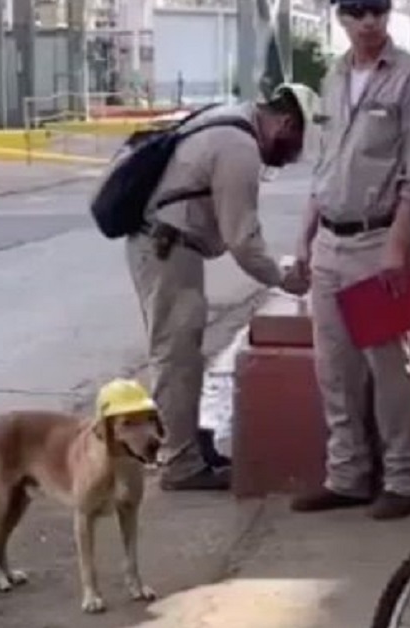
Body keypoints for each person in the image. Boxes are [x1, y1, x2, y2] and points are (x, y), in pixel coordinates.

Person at [290, 0, 410, 519]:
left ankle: (403, 476)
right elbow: (324, 166)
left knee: (388, 368)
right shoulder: (333, 77)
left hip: (380, 242)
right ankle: (347, 476)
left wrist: (398, 244)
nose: (369, 21)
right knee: (335, 368)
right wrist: (305, 237)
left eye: (378, 8)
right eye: (357, 11)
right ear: (341, 18)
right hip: (330, 241)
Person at [126, 84, 317, 492]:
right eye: (294, 144)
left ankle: (186, 442)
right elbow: (243, 240)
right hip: (166, 248)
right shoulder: (239, 147)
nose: (289, 156)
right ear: (285, 123)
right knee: (175, 355)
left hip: (167, 245)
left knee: (185, 354)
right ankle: (180, 464)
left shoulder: (229, 118)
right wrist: (286, 280)